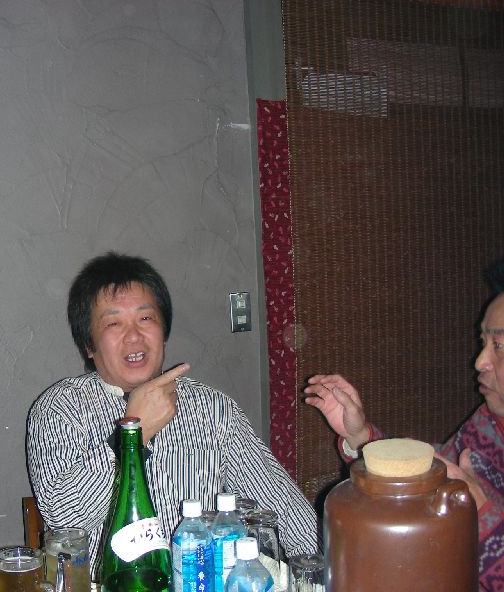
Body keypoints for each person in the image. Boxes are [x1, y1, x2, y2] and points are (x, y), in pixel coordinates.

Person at [26, 252, 318, 576]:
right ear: (89, 346)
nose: (134, 335)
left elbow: (283, 508)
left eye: (145, 318)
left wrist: (322, 572)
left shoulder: (212, 408)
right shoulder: (60, 409)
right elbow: (64, 522)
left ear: (164, 332)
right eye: (113, 323)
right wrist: (133, 434)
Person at [304, 262, 504, 591]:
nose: (480, 361)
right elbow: (424, 475)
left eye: (498, 346)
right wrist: (360, 436)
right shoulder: (488, 424)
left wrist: (479, 512)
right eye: (483, 342)